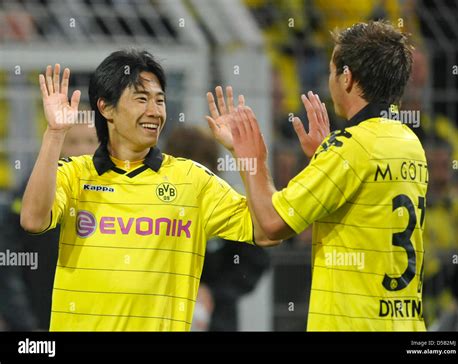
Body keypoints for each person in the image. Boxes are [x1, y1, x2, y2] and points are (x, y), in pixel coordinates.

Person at [20, 50, 277, 331]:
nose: (155, 111)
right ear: (106, 108)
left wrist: (250, 160)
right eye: (141, 99)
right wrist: (55, 133)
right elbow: (33, 220)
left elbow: (267, 229)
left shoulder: (192, 179)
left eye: (160, 100)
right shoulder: (74, 174)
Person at [208, 20, 427, 331]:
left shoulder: (351, 148)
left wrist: (250, 158)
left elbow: (271, 225)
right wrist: (324, 156)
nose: (329, 80)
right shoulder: (408, 142)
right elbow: (366, 205)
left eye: (332, 71)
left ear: (347, 77)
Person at [164, 126, 270, 331]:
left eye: (202, 167)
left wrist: (213, 292)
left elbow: (256, 261)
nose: (195, 177)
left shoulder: (232, 204)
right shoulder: (154, 207)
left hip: (220, 321)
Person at [0, 123, 98, 330]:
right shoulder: (31, 195)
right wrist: (25, 325)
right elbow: (8, 268)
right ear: (57, 145)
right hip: (41, 319)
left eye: (90, 141)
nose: (82, 149)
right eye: (73, 142)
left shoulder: (117, 195)